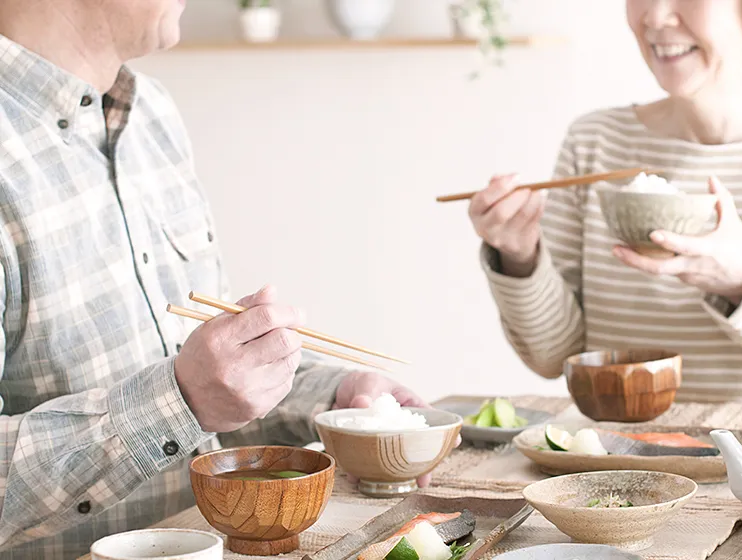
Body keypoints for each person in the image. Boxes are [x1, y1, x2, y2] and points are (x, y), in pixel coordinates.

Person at [0, 1, 436, 558]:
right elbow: (186, 395)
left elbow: (203, 386)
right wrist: (181, 400)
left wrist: (331, 399)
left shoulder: (150, 113)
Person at [469, 0, 742, 404]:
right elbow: (552, 357)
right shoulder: (596, 141)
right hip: (611, 469)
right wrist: (520, 257)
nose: (655, 16)